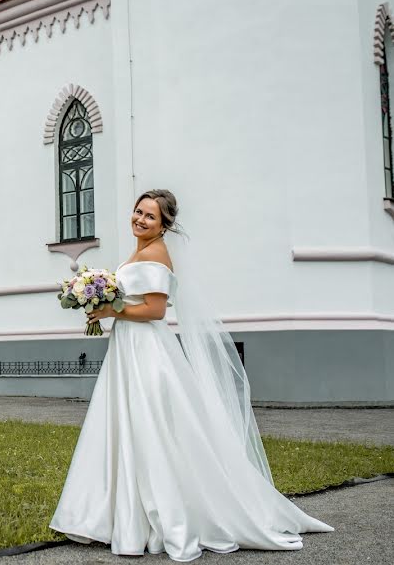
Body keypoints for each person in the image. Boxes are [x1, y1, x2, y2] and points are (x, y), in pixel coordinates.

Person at [49, 189, 334, 562]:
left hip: (147, 350)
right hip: (128, 348)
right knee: (129, 424)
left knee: (152, 425)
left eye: (150, 216)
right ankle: (114, 514)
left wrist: (107, 312)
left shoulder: (155, 253)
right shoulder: (139, 251)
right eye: (138, 212)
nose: (140, 219)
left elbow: (153, 310)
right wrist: (104, 303)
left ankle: (164, 515)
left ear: (164, 224)